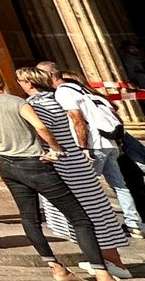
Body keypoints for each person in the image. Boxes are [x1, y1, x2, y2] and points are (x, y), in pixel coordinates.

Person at [0, 62, 140, 281]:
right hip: (38, 163)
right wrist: (57, 148)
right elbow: (42, 127)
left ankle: (57, 269)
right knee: (83, 217)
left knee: (30, 218)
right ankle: (104, 275)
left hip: (8, 164)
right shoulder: (21, 102)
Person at [21, 66, 136, 281]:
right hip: (77, 156)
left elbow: (72, 120)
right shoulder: (67, 93)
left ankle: (110, 263)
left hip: (67, 160)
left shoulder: (48, 99)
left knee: (84, 211)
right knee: (96, 205)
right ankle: (110, 260)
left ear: (30, 82)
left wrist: (76, 147)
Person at [44, 62, 143, 235]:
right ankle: (133, 223)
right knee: (119, 185)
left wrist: (83, 147)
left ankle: (95, 226)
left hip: (94, 144)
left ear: (50, 76)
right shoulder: (82, 90)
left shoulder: (63, 92)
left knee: (86, 185)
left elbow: (77, 118)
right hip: (109, 141)